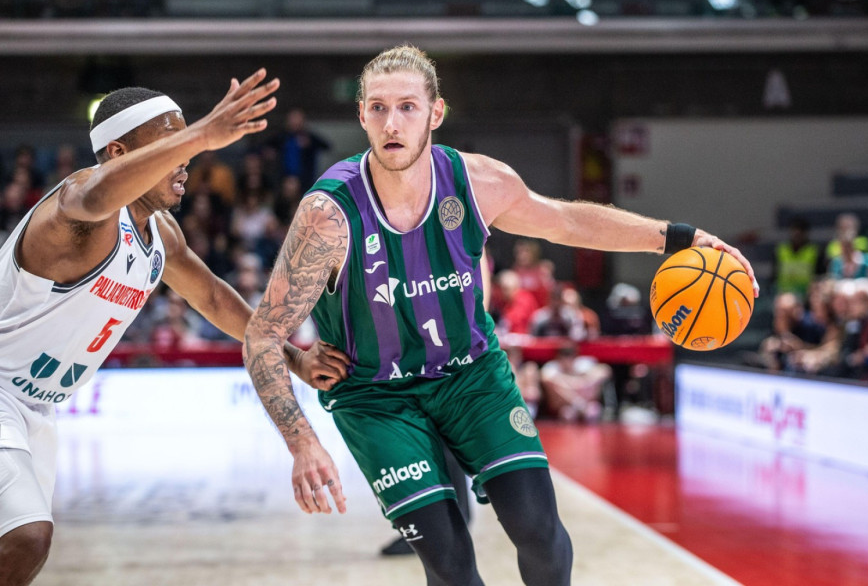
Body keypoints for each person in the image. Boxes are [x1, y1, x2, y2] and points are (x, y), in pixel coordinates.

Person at [242, 45, 757, 586]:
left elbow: (566, 222)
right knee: (450, 564)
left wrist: (679, 238)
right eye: (378, 108)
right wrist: (302, 441)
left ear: (436, 113)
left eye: (408, 107)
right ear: (362, 115)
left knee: (541, 534)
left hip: (471, 377)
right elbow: (262, 336)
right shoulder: (328, 216)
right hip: (376, 396)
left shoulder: (480, 183)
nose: (391, 123)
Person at [0, 70, 350, 586]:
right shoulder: (76, 205)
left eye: (189, 143)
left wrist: (293, 358)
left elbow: (211, 297)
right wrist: (205, 133)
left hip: (38, 407)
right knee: (27, 537)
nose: (187, 158)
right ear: (118, 153)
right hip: (3, 392)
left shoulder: (160, 231)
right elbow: (92, 194)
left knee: (21, 552)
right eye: (172, 143)